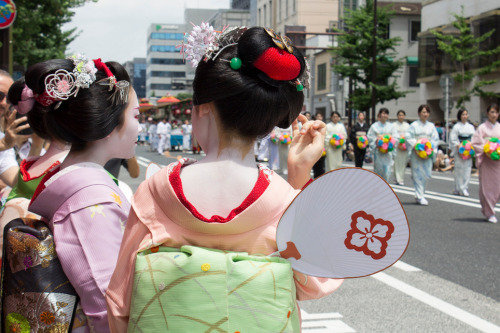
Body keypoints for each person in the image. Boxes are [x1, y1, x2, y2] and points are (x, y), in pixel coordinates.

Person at [106, 26, 342, 332]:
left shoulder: (155, 191)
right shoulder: (282, 198)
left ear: (203, 108)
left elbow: (119, 300)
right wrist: (298, 179)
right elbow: (316, 283)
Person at [15, 55, 139, 331]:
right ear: (108, 123)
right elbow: (107, 303)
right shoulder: (91, 200)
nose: (139, 127)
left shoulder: (83, 187)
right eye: (136, 116)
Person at [471, 103, 500, 223]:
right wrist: (487, 148)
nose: (494, 115)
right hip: (487, 160)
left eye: (496, 112)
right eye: (492, 112)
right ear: (487, 113)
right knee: (487, 187)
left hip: (497, 161)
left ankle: (492, 207)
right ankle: (489, 212)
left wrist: (497, 150)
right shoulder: (482, 127)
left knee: (497, 186)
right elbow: (476, 143)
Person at [406, 104, 439, 206]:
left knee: (426, 174)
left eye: (427, 112)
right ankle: (420, 195)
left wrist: (431, 147)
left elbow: (435, 139)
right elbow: (408, 137)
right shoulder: (414, 125)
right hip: (417, 152)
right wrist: (416, 144)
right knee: (417, 174)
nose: (425, 114)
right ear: (419, 113)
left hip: (427, 153)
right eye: (423, 112)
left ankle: (421, 193)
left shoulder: (431, 126)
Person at [367, 108, 398, 181]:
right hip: (379, 152)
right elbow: (370, 137)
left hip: (388, 153)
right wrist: (377, 140)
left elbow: (396, 137)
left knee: (387, 171)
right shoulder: (374, 126)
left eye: (386, 114)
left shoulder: (391, 126)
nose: (385, 115)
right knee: (378, 171)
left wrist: (391, 141)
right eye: (383, 113)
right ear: (380, 114)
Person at [450, 109, 475, 196]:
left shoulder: (471, 127)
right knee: (459, 169)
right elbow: (453, 138)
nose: (464, 116)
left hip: (468, 149)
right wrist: (458, 145)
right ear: (460, 116)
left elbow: (474, 138)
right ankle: (458, 187)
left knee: (467, 169)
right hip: (460, 149)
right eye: (463, 114)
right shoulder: (456, 127)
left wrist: (470, 145)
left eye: (466, 114)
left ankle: (464, 187)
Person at [393, 110, 410, 185]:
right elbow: (393, 135)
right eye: (399, 115)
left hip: (404, 146)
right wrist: (398, 142)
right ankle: (397, 178)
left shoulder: (407, 125)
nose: (401, 117)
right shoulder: (393, 125)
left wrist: (405, 142)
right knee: (396, 162)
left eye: (402, 115)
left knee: (403, 163)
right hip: (397, 146)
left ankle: (401, 178)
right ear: (397, 116)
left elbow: (409, 136)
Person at [312, 112, 326, 178]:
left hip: (323, 149)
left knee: (322, 166)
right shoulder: (313, 126)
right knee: (316, 166)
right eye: (318, 116)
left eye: (320, 116)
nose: (319, 118)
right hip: (315, 148)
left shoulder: (324, 126)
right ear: (315, 117)